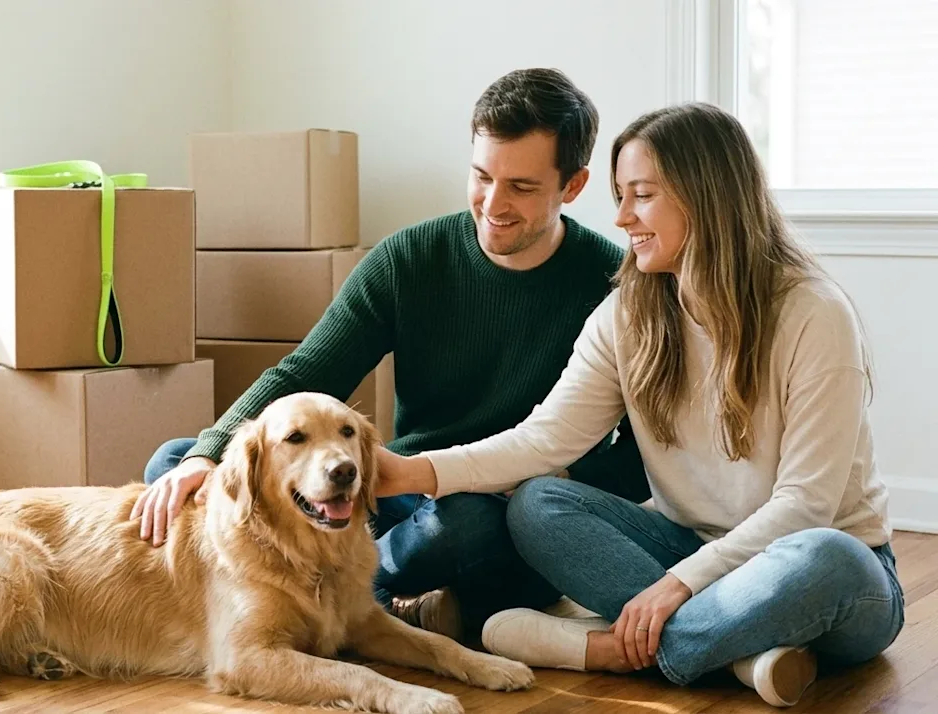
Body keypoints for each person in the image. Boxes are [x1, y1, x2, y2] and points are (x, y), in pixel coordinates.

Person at [373, 102, 902, 707]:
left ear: (706, 197)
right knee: (539, 502)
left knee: (828, 555)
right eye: (621, 195)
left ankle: (598, 647)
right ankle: (737, 655)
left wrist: (676, 587)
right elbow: (544, 441)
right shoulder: (627, 314)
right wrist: (412, 472)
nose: (621, 217)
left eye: (641, 195)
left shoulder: (812, 312)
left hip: (819, 570)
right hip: (691, 548)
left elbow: (807, 506)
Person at [130, 68, 652, 642]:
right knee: (177, 464)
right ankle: (394, 608)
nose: (493, 204)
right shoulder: (409, 259)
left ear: (572, 186)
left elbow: (639, 455)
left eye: (521, 188)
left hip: (492, 509)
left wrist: (545, 471)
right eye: (481, 176)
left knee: (464, 528)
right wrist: (207, 454)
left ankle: (321, 604)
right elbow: (305, 372)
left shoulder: (611, 287)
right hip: (394, 486)